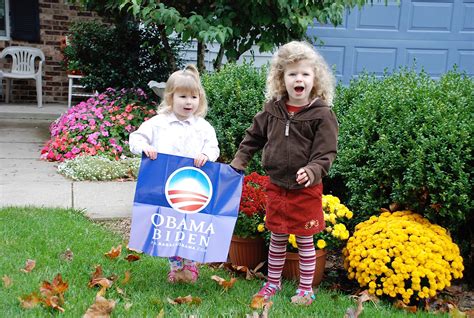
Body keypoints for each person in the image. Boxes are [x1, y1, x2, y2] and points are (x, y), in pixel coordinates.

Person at [230, 41, 338, 305]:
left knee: (304, 240)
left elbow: (326, 153)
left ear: (315, 78)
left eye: (305, 74)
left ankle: (305, 289)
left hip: (306, 190)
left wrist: (312, 170)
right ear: (281, 79)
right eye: (292, 74)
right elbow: (253, 138)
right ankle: (272, 283)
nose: (298, 79)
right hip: (277, 185)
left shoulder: (322, 115)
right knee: (276, 236)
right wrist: (239, 161)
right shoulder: (272, 110)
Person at [129, 64, 219, 283]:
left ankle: (191, 264)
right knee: (170, 225)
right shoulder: (158, 123)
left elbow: (214, 147)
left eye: (194, 97)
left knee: (190, 225)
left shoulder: (203, 126)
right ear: (170, 98)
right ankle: (175, 265)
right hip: (166, 184)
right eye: (183, 96)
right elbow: (136, 138)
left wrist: (206, 154)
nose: (189, 102)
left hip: (193, 184)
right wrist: (145, 148)